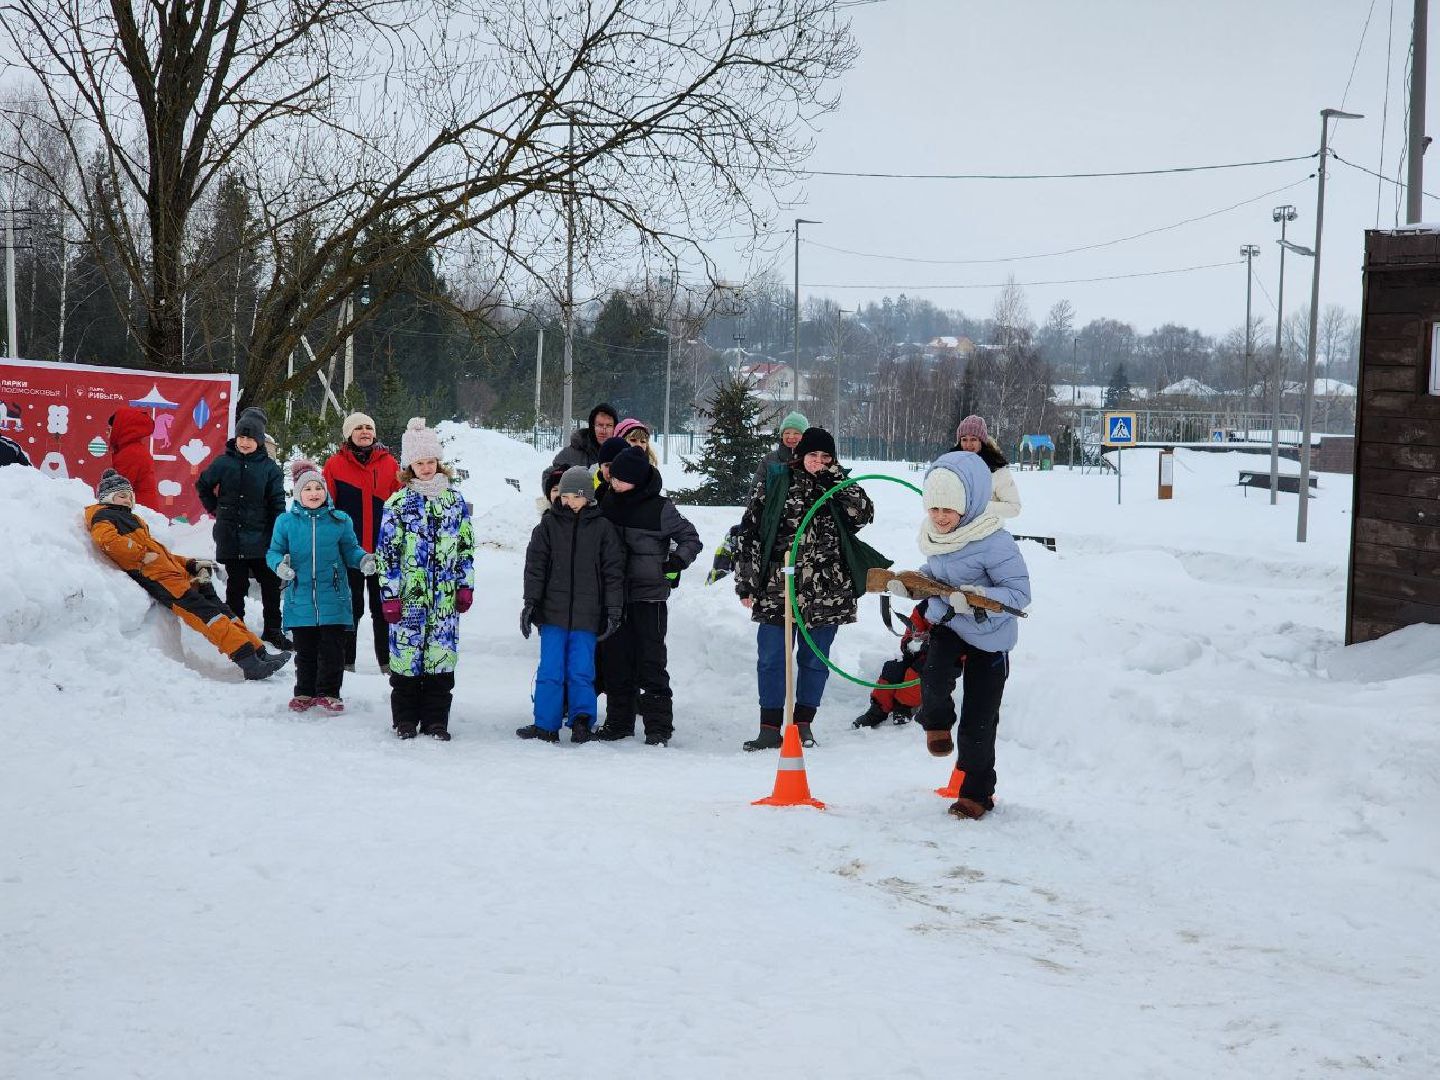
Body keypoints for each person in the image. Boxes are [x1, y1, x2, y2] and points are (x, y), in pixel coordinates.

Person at [732, 427, 877, 751]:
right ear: (801, 455)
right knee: (771, 659)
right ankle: (769, 727)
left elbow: (864, 514)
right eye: (813, 455)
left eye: (826, 457)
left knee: (815, 660)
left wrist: (836, 480)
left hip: (827, 592)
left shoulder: (838, 486)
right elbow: (749, 532)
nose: (819, 462)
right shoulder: (777, 480)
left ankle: (802, 725)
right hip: (777, 588)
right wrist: (746, 582)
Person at [912, 451, 1031, 820]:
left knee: (980, 718)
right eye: (934, 509)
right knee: (932, 674)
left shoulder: (994, 541)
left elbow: (1019, 595)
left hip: (991, 636)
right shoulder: (934, 535)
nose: (941, 517)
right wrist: (913, 585)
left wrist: (975, 598)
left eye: (948, 510)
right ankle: (936, 725)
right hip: (950, 623)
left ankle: (977, 794)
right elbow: (934, 573)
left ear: (969, 505)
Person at [85, 469, 289, 680]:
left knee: (223, 611)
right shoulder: (103, 516)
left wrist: (190, 563)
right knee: (209, 618)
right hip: (163, 582)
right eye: (122, 495)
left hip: (175, 574)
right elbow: (108, 542)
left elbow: (162, 555)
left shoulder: (132, 519)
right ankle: (248, 661)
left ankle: (259, 652)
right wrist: (140, 554)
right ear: (107, 497)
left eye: (129, 495)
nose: (128, 500)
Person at [593, 446, 701, 746]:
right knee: (616, 660)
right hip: (613, 596)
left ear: (637, 480)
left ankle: (658, 727)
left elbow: (691, 539)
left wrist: (676, 562)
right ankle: (618, 722)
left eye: (620, 480)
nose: (613, 483)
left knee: (651, 661)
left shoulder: (661, 508)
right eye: (612, 478)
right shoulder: (604, 499)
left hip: (649, 597)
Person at [377, 418, 476, 740]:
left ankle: (436, 720)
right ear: (409, 466)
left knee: (440, 658)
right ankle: (405, 719)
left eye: (431, 461)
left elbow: (465, 547)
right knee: (407, 659)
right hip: (409, 598)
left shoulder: (455, 502)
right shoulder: (398, 504)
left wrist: (465, 585)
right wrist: (389, 595)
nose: (426, 468)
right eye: (420, 463)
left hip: (444, 600)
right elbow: (387, 554)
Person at [516, 466, 626, 743]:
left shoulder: (603, 528)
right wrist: (531, 603)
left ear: (586, 496)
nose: (568, 502)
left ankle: (581, 720)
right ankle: (546, 724)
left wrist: (613, 609)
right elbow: (535, 568)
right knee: (551, 669)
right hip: (552, 614)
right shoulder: (548, 526)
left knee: (581, 671)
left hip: (588, 616)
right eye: (564, 497)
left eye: (573, 497)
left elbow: (614, 572)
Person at [268, 459, 376, 713]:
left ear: (325, 492)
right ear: (298, 494)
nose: (314, 493)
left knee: (333, 650)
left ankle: (329, 693)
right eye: (308, 489)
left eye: (318, 488)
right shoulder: (286, 522)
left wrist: (363, 560)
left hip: (334, 595)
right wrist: (279, 566)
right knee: (305, 650)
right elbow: (274, 551)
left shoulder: (339, 520)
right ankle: (304, 692)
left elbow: (350, 549)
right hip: (300, 596)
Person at [196, 409, 290, 652]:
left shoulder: (270, 469)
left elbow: (277, 502)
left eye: (250, 438)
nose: (245, 442)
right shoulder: (223, 463)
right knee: (236, 586)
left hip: (262, 537)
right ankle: (235, 629)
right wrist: (216, 508)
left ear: (259, 441)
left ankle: (272, 629)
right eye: (241, 437)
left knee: (270, 585)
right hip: (231, 536)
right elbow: (203, 484)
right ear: (236, 438)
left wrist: (278, 535)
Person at [323, 411, 402, 672]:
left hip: (384, 551)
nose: (364, 431)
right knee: (351, 607)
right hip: (349, 552)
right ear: (349, 434)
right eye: (358, 428)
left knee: (383, 609)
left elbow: (401, 507)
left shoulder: (390, 464)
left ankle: (387, 662)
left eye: (369, 427)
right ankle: (347, 662)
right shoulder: (334, 465)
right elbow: (327, 507)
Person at [852, 603, 929, 728]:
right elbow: (909, 633)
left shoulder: (957, 611)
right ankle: (878, 710)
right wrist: (909, 644)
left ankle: (905, 708)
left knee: (916, 671)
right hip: (920, 653)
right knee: (893, 668)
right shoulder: (923, 609)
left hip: (946, 658)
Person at [951, 415, 1021, 520]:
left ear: (982, 442)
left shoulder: (997, 470)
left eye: (973, 439)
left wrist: (977, 507)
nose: (968, 445)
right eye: (964, 439)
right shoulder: (952, 466)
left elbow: (1014, 508)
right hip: (955, 531)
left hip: (986, 532)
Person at [108, 405, 161, 512]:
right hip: (140, 508)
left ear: (120, 430)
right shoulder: (132, 449)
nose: (106, 433)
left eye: (110, 429)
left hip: (139, 511)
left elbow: (119, 490)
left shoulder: (130, 453)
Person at [548, 402, 618, 479]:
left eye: (609, 426)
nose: (604, 431)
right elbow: (549, 476)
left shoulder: (622, 453)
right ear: (592, 427)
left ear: (615, 427)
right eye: (600, 425)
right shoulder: (573, 453)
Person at [750, 410, 809, 494]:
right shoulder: (769, 459)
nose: (791, 437)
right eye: (787, 433)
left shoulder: (812, 460)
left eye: (796, 433)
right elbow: (755, 489)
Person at [592, 435, 629, 503]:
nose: (612, 470)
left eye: (618, 464)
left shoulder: (641, 495)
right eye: (607, 465)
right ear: (601, 468)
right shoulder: (599, 494)